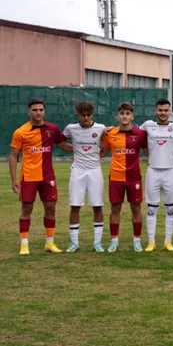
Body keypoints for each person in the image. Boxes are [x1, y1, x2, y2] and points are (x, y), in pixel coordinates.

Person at [9, 97, 73, 255]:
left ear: (44, 111)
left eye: (41, 110)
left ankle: (50, 243)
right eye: (35, 110)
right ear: (28, 112)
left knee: (51, 208)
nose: (38, 113)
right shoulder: (20, 132)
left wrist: (85, 147)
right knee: (26, 208)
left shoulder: (52, 129)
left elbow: (63, 145)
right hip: (29, 176)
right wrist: (14, 179)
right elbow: (13, 156)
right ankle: (24, 244)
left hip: (47, 176)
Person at [101, 102, 148, 253]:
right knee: (115, 209)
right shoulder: (110, 134)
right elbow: (103, 153)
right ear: (118, 116)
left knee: (136, 209)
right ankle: (114, 240)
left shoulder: (140, 134)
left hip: (134, 178)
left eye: (128, 114)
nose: (124, 116)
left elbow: (149, 152)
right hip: (116, 177)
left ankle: (137, 240)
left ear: (132, 116)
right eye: (122, 113)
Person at [140, 98, 173, 252]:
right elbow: (136, 138)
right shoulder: (147, 125)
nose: (163, 113)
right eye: (160, 110)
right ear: (155, 111)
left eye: (166, 110)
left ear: (170, 111)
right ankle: (151, 242)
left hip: (171, 171)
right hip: (153, 171)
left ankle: (168, 241)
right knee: (151, 208)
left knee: (170, 209)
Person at [62, 101, 106, 253]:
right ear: (78, 115)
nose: (86, 118)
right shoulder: (71, 128)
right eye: (83, 115)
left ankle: (97, 242)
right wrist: (75, 150)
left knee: (97, 206)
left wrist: (99, 154)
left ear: (92, 114)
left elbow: (107, 144)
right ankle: (74, 242)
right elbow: (61, 142)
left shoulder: (100, 128)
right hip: (78, 171)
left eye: (89, 115)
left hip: (94, 170)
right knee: (75, 206)